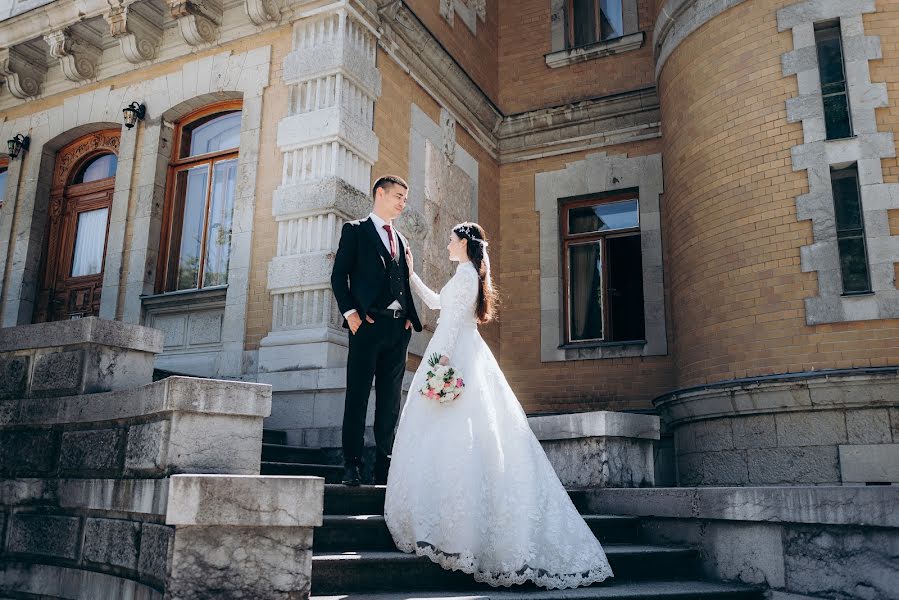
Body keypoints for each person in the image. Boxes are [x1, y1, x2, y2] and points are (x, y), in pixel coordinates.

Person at [384, 222, 613, 589]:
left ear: (463, 243)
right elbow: (436, 303)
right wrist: (411, 275)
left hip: (451, 354)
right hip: (457, 351)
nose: (446, 243)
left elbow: (455, 322)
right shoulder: (466, 274)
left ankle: (455, 528)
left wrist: (440, 364)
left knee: (453, 430)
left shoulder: (465, 276)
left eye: (450, 239)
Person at [330, 175, 422, 486]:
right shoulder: (355, 231)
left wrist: (409, 314)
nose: (401, 203)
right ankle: (352, 465)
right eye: (397, 196)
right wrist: (351, 315)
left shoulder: (402, 240)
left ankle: (385, 465)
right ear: (379, 193)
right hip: (366, 327)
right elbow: (338, 276)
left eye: (405, 200)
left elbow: (404, 281)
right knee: (357, 396)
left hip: (398, 330)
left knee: (390, 400)